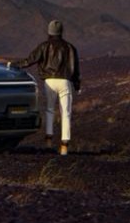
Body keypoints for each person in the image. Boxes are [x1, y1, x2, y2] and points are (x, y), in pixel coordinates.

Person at [9, 19, 81, 155]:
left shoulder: (44, 46)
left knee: (49, 110)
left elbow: (30, 60)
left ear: (49, 31)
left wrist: (14, 65)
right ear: (61, 31)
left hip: (49, 81)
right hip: (65, 81)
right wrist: (77, 85)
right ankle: (64, 146)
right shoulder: (70, 48)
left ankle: (48, 141)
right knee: (66, 113)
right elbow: (75, 69)